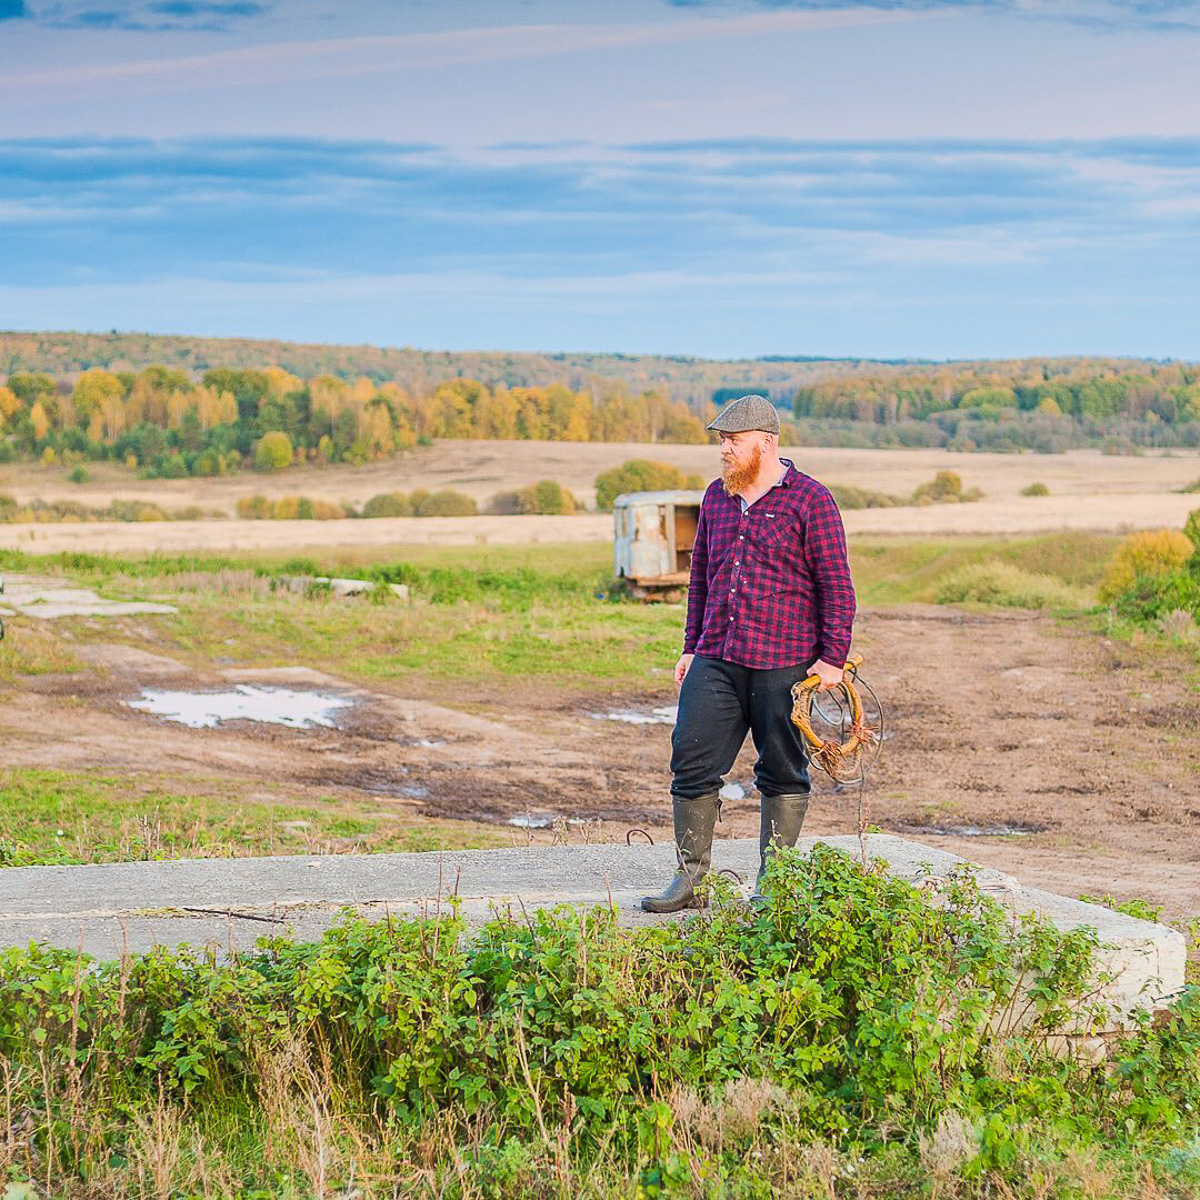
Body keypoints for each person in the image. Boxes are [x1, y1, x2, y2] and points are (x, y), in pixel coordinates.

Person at [641, 394, 857, 913]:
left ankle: (773, 884)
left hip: (785, 660)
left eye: (734, 441)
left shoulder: (811, 500)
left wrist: (832, 658)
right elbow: (701, 577)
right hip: (717, 654)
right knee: (690, 759)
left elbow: (837, 584)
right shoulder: (717, 497)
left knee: (782, 769)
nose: (725, 450)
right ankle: (690, 880)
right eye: (722, 441)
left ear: (767, 442)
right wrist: (691, 647)